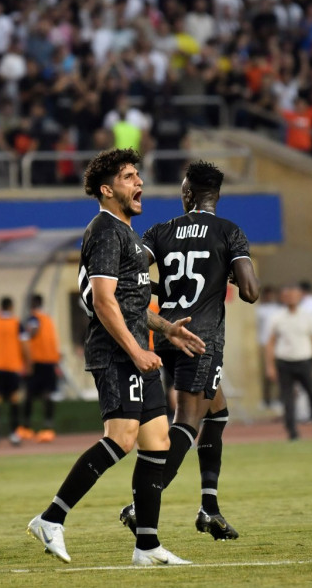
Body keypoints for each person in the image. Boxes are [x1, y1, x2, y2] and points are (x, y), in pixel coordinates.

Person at [26, 148, 204, 566]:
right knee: (122, 438)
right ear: (107, 190)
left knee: (157, 440)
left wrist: (165, 329)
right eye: (128, 177)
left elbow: (129, 303)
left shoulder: (127, 234)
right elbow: (104, 303)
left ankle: (146, 545)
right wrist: (137, 349)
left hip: (136, 348)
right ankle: (51, 518)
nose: (139, 182)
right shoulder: (105, 230)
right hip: (116, 352)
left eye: (138, 175)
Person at [118, 160, 260, 541]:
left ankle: (209, 508)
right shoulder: (230, 232)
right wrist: (227, 273)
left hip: (167, 335)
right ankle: (141, 505)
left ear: (188, 194)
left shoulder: (160, 231)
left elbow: (132, 277)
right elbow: (250, 291)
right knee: (186, 422)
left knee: (218, 412)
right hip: (202, 339)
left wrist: (168, 295)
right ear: (215, 196)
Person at [265, 284, 312, 440]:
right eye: (287, 296)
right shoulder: (277, 317)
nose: (291, 298)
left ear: (300, 297)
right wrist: (270, 366)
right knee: (288, 399)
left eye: (294, 295)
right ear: (283, 298)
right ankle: (292, 433)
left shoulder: (309, 316)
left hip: (305, 361)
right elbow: (270, 343)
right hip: (284, 362)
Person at [0, 296, 29, 446]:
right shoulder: (16, 323)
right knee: (14, 400)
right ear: (11, 307)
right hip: (12, 366)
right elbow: (24, 345)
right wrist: (28, 362)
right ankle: (14, 434)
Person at [22, 293, 61, 442]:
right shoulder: (48, 319)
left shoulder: (33, 319)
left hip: (37, 361)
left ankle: (26, 427)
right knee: (47, 394)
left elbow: (30, 333)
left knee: (30, 394)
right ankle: (48, 426)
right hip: (50, 361)